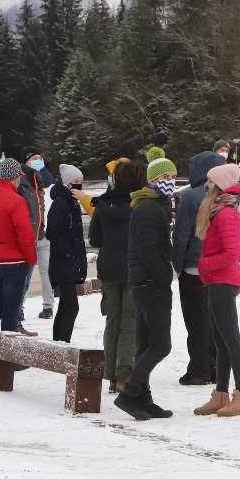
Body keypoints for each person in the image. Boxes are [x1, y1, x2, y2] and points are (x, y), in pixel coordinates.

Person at [115, 148, 176, 421]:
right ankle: (130, 392)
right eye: (165, 175)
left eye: (174, 175)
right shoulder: (150, 208)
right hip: (150, 283)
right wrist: (164, 275)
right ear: (152, 179)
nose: (170, 180)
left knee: (144, 345)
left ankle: (143, 398)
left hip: (143, 283)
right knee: (160, 345)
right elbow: (151, 249)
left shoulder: (151, 205)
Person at [173, 149, 240, 386]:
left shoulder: (192, 197)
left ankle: (198, 369)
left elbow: (181, 236)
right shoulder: (231, 199)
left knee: (196, 321)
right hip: (221, 271)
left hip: (195, 267)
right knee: (216, 322)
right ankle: (215, 367)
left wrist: (178, 265)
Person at [193, 163, 240, 417]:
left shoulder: (227, 213)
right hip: (216, 281)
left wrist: (204, 264)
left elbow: (232, 253)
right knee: (220, 341)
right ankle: (220, 394)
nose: (206, 186)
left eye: (210, 182)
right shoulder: (220, 210)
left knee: (231, 340)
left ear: (220, 186)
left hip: (223, 282)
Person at [90, 160, 143, 392]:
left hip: (108, 267)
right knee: (130, 321)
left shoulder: (102, 204)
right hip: (133, 268)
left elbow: (94, 240)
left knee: (112, 320)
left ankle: (111, 373)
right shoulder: (139, 205)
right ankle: (125, 371)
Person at [0, 158, 36, 336]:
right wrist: (31, 259)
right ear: (17, 176)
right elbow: (24, 234)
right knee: (10, 311)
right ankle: (6, 358)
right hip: (14, 262)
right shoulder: (16, 201)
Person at [45, 165, 88, 343]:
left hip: (71, 262)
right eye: (75, 182)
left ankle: (58, 343)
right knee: (72, 307)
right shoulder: (60, 203)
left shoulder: (73, 204)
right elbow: (52, 232)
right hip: (63, 263)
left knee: (65, 305)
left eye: (80, 182)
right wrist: (68, 252)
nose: (78, 186)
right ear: (67, 184)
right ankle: (63, 344)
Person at [18, 147, 55, 330]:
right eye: (34, 158)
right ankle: (20, 307)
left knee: (46, 271)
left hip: (44, 232)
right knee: (25, 272)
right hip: (28, 233)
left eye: (40, 157)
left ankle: (48, 306)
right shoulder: (22, 181)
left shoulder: (44, 179)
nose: (38, 161)